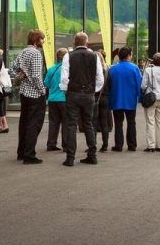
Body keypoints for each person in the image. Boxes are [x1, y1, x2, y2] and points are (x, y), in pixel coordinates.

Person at [59, 32, 104, 166]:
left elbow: (64, 78)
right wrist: (93, 90)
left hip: (73, 93)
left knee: (71, 125)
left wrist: (66, 90)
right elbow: (100, 78)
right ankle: (92, 155)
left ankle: (70, 157)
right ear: (87, 43)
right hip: (89, 94)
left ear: (74, 43)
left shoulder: (68, 56)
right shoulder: (94, 56)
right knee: (88, 124)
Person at [12, 29, 47, 164]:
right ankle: (29, 154)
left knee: (24, 123)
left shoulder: (24, 51)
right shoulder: (36, 53)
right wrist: (42, 90)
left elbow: (13, 68)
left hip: (24, 93)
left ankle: (21, 152)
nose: (43, 41)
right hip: (35, 94)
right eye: (42, 39)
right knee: (34, 124)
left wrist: (21, 76)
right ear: (36, 40)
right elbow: (37, 76)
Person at [108, 46, 142, 152]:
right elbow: (139, 84)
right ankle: (132, 145)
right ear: (128, 55)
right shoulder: (134, 68)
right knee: (131, 122)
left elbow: (109, 85)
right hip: (130, 100)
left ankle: (118, 145)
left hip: (116, 99)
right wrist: (140, 97)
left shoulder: (113, 68)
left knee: (118, 123)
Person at [141, 53, 160, 151]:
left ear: (153, 61)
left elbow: (143, 86)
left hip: (151, 98)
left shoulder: (148, 70)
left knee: (150, 121)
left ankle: (151, 145)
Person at [44, 47, 68, 151]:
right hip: (64, 99)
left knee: (53, 122)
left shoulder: (51, 69)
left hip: (52, 99)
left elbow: (46, 83)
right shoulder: (67, 69)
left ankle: (51, 144)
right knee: (66, 122)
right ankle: (66, 145)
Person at [93, 50, 112, 152]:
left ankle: (92, 145)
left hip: (94, 97)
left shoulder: (92, 70)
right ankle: (105, 145)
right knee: (104, 122)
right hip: (105, 97)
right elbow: (111, 84)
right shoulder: (108, 69)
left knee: (93, 122)